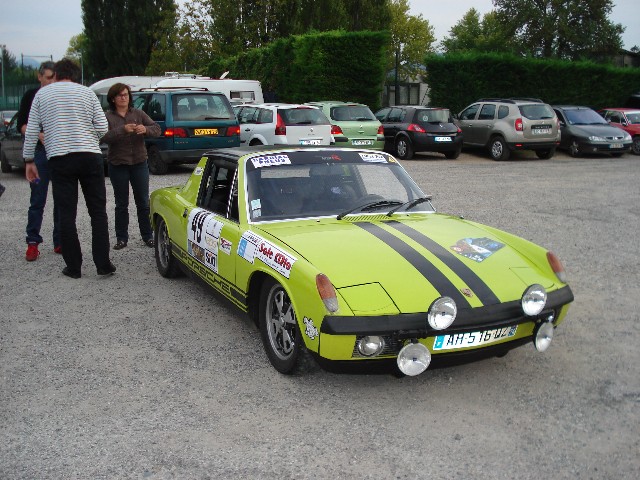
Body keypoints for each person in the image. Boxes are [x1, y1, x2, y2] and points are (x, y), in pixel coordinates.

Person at [23, 59, 115, 279]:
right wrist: (86, 138)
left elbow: (32, 128)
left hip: (60, 158)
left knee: (67, 214)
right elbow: (103, 127)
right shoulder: (87, 93)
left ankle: (73, 267)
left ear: (55, 74)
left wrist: (29, 160)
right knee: (98, 212)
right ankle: (103, 264)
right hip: (89, 156)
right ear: (75, 75)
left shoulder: (42, 96)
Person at [102, 83, 160, 250]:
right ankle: (121, 238)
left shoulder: (138, 113)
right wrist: (123, 130)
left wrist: (146, 129)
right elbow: (103, 137)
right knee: (121, 203)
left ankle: (148, 236)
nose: (124, 97)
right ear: (113, 98)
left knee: (143, 202)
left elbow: (157, 129)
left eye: (126, 94)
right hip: (118, 164)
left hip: (139, 163)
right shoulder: (107, 117)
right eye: (120, 95)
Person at [16, 61, 61, 261]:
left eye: (55, 78)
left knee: (62, 198)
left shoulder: (59, 96)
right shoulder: (31, 96)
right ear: (40, 76)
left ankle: (59, 240)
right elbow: (22, 126)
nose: (52, 81)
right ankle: (32, 242)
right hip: (39, 152)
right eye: (49, 77)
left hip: (58, 151)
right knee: (38, 199)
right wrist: (38, 134)